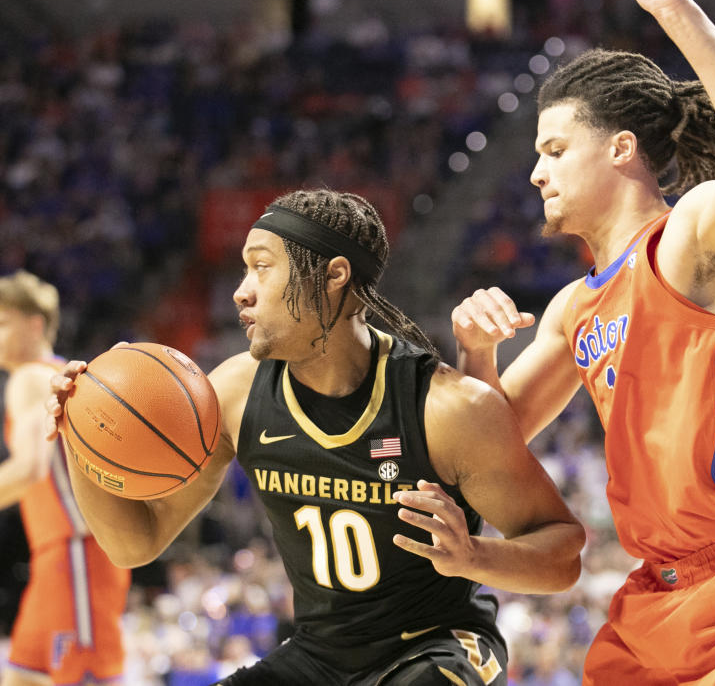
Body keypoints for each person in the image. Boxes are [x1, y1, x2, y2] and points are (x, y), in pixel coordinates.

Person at [450, 0, 715, 683]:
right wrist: (476, 352)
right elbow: (493, 441)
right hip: (649, 604)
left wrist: (674, 11)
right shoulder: (574, 307)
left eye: (553, 149)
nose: (536, 172)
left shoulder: (690, 239)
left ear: (620, 149)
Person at [47, 189, 586, 685]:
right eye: (243, 271)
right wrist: (79, 434)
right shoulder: (234, 392)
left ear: (333, 275)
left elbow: (563, 553)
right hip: (320, 656)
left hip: (439, 645)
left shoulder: (445, 407)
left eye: (262, 268)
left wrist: (474, 556)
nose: (241, 292)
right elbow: (134, 543)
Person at [0, 270, 130, 686]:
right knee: (22, 676)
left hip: (75, 550)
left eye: (2, 323)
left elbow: (28, 468)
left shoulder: (29, 378)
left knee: (88, 678)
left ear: (34, 323)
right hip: (60, 554)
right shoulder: (55, 374)